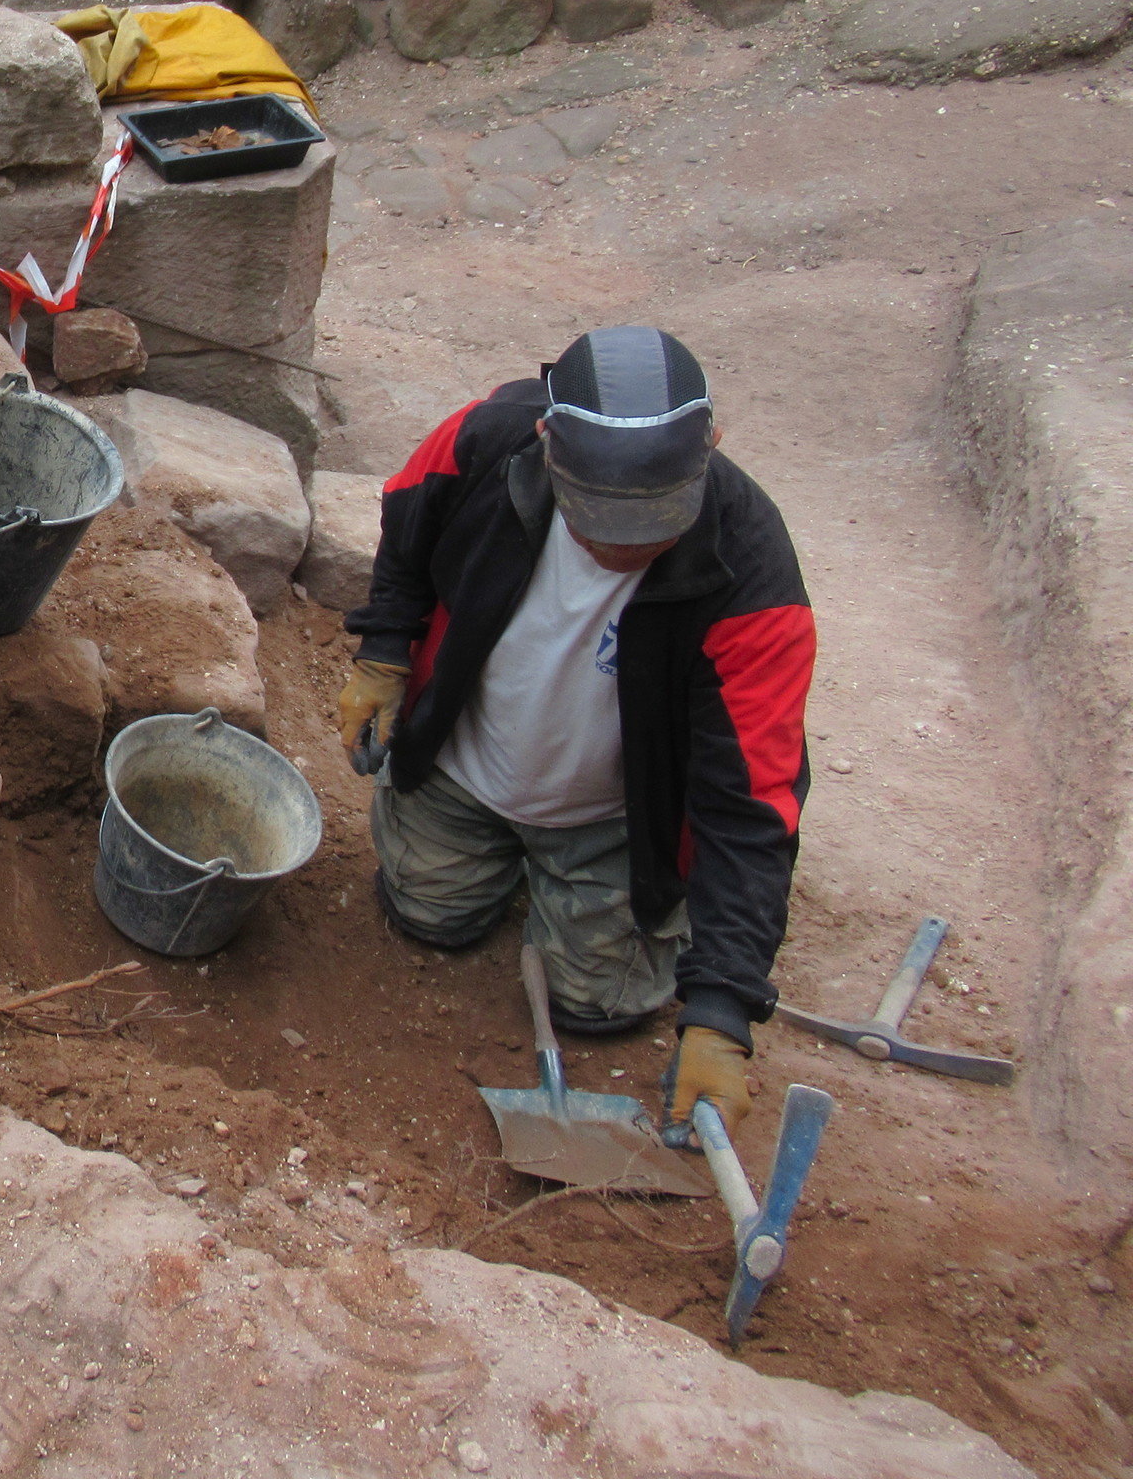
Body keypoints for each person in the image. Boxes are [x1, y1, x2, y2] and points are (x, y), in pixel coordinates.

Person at [332, 326, 815, 1138]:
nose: (622, 544)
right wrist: (385, 648)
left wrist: (723, 1008)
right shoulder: (487, 441)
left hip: (614, 818)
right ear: (548, 444)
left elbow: (750, 803)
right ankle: (500, 857)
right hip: (464, 765)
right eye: (599, 518)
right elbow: (408, 527)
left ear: (711, 449)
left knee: (600, 1006)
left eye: (653, 521)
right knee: (427, 919)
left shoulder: (753, 576)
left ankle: (590, 885)